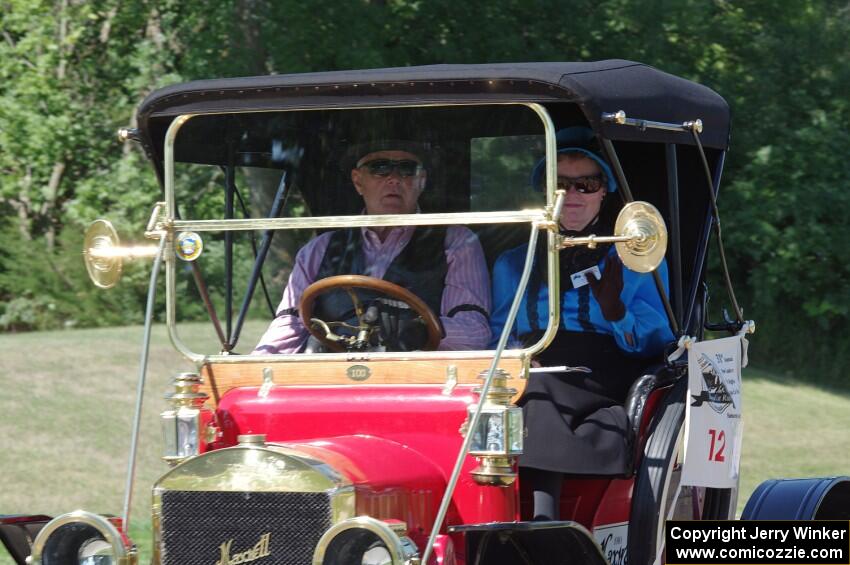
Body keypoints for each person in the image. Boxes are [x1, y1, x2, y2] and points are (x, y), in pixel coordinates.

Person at [489, 127, 675, 520]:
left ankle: (544, 522)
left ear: (603, 192)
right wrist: (513, 360)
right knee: (509, 392)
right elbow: (498, 330)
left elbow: (660, 340)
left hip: (605, 365)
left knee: (537, 392)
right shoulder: (513, 261)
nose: (571, 196)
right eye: (561, 184)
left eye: (585, 185)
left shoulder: (633, 257)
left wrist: (615, 312)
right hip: (534, 362)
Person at [254, 141, 491, 354]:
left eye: (407, 169)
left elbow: (475, 332)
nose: (393, 179)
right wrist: (255, 366)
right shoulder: (320, 249)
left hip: (418, 382)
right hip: (331, 381)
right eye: (379, 167)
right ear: (358, 181)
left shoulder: (457, 242)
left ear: (421, 181)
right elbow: (290, 325)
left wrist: (422, 328)